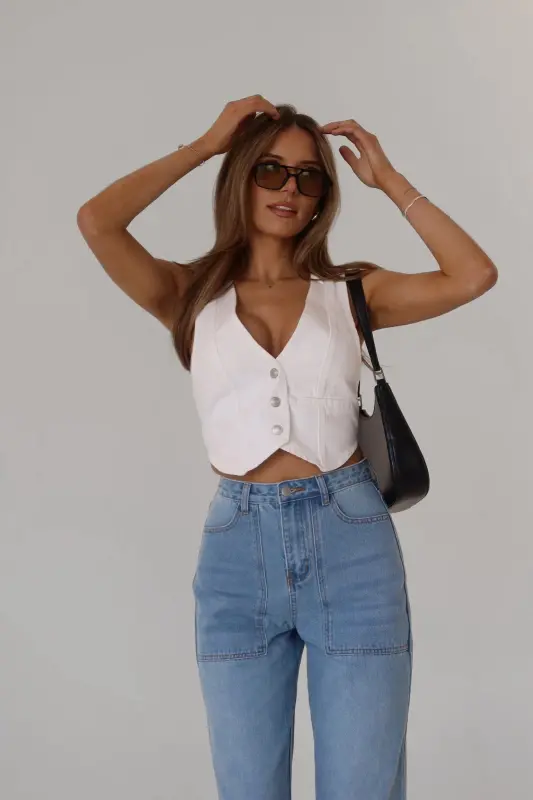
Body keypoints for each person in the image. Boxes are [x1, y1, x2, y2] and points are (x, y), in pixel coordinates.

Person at [77, 95, 498, 799]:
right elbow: (97, 221)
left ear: (323, 196)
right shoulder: (186, 293)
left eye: (308, 177)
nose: (289, 189)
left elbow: (473, 275)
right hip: (236, 554)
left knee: (362, 786)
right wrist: (204, 146)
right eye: (269, 170)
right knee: (246, 787)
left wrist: (389, 181)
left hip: (351, 541)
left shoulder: (351, 292)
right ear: (240, 177)